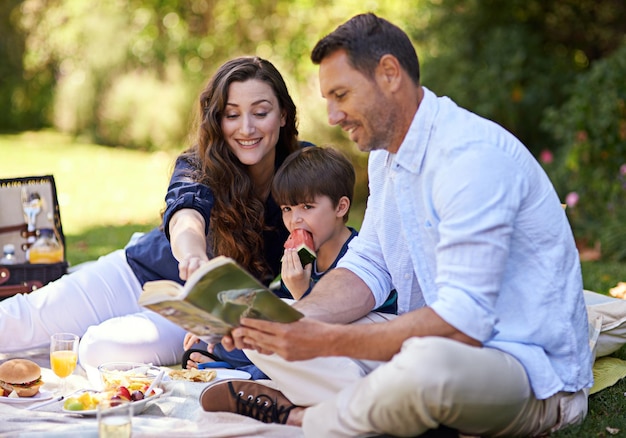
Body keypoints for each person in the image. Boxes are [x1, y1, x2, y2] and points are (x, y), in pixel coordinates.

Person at [199, 13, 593, 437]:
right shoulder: (386, 156)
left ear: (389, 74)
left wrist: (326, 342)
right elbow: (370, 264)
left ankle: (304, 418)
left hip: (524, 372)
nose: (332, 116)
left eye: (341, 94)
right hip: (425, 349)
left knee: (428, 365)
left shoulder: (470, 159)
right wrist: (294, 319)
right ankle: (385, 408)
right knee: (279, 330)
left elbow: (465, 322)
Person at [0, 56, 308, 382]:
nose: (246, 128)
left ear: (284, 114)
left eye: (260, 113)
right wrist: (192, 255)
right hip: (136, 271)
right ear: (218, 120)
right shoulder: (199, 162)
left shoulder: (303, 172)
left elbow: (329, 243)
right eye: (232, 115)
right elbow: (186, 214)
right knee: (16, 321)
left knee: (96, 349)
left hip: (200, 314)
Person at [181, 146, 397, 376]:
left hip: (353, 351)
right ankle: (239, 369)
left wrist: (301, 291)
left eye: (307, 207)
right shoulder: (303, 256)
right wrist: (225, 321)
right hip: (304, 350)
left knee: (283, 356)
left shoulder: (361, 260)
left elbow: (335, 331)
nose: (295, 220)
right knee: (219, 341)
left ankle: (242, 374)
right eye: (287, 208)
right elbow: (277, 310)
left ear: (341, 207)